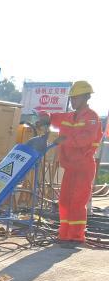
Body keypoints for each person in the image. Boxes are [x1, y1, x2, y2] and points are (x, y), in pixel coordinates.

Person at [41, 80, 103, 243]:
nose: (73, 101)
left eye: (76, 98)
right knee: (65, 201)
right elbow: (56, 118)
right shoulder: (70, 116)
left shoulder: (91, 117)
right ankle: (64, 234)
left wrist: (64, 140)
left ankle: (76, 237)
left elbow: (85, 139)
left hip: (83, 167)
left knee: (77, 201)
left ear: (85, 97)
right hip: (70, 167)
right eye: (72, 98)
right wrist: (46, 117)